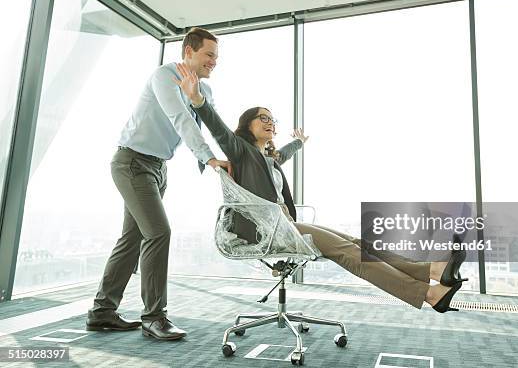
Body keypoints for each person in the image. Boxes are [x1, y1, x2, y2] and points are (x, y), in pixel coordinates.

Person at [173, 63, 466, 313]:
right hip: (268, 232)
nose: (269, 123)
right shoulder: (240, 150)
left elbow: (282, 155)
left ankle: (433, 272)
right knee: (347, 252)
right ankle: (428, 294)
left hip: (285, 225)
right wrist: (198, 100)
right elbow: (217, 128)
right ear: (247, 124)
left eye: (272, 119)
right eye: (262, 118)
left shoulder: (268, 159)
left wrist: (298, 142)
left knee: (356, 244)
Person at [86, 29, 231, 340]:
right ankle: (154, 317)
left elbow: (211, 125)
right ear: (189, 52)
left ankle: (102, 313)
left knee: (132, 239)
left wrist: (232, 156)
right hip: (131, 163)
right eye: (209, 55)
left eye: (216, 57)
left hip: (157, 168)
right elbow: (180, 118)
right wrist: (208, 159)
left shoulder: (204, 90)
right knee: (158, 232)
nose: (214, 62)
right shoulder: (164, 76)